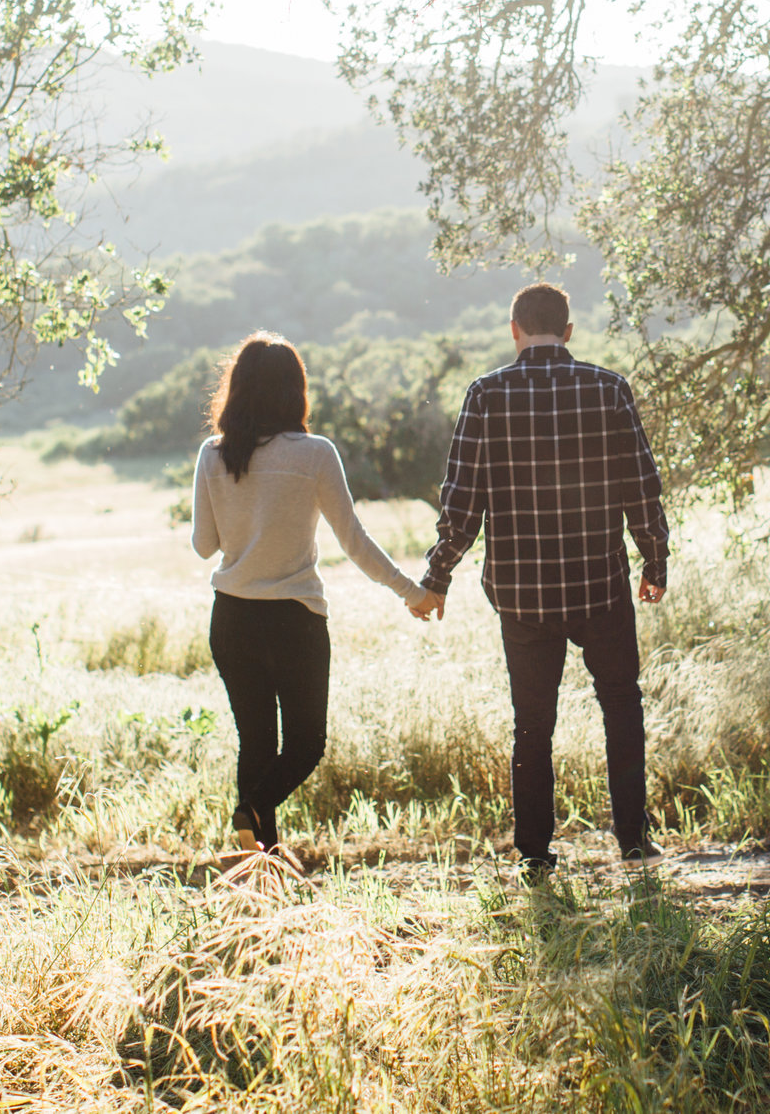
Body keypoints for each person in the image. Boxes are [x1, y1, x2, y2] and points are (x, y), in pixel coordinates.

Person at [413, 282, 670, 877]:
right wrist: (654, 562)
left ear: (514, 330)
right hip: (600, 588)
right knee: (622, 708)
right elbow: (642, 487)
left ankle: (534, 853)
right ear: (570, 331)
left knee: (532, 724)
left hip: (522, 596)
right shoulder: (608, 389)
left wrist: (437, 577)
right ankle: (633, 841)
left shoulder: (486, 396)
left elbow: (462, 503)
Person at [193, 332, 435, 854]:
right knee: (305, 744)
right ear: (294, 392)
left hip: (232, 618)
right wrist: (410, 592)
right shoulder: (315, 454)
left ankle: (259, 856)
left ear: (236, 391)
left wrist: (239, 516)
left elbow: (203, 545)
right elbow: (355, 541)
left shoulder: (213, 456)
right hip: (294, 620)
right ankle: (253, 815)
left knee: (256, 743)